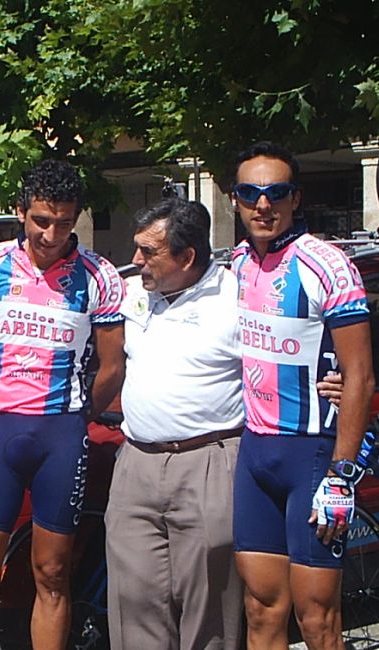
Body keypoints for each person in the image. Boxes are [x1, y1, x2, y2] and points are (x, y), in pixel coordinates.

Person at [0, 159, 126, 650]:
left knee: (51, 573)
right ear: (20, 211)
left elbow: (112, 368)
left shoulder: (98, 275)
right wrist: (2, 393)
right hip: (1, 430)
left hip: (60, 437)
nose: (52, 235)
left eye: (65, 223)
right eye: (41, 221)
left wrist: (76, 417)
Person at [231, 142, 373, 649]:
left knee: (317, 620)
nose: (262, 204)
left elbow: (360, 375)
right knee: (260, 610)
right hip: (255, 451)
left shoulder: (327, 264)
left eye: (276, 193)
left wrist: (342, 474)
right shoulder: (236, 265)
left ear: (295, 198)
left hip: (311, 454)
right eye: (250, 193)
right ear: (235, 199)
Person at [106, 197, 245, 649]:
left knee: (210, 610)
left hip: (208, 463)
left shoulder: (238, 296)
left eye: (149, 252)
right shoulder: (130, 293)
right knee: (133, 605)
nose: (136, 260)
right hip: (136, 464)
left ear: (187, 257)